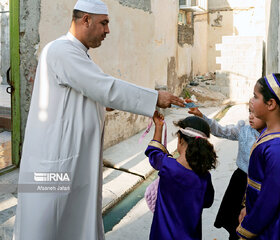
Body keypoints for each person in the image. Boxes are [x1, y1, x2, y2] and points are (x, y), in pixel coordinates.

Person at [13, 0, 184, 239]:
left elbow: (87, 93)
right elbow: (105, 87)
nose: (107, 30)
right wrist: (155, 97)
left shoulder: (75, 54)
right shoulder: (62, 50)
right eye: (104, 23)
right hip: (56, 162)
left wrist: (104, 103)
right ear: (86, 20)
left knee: (71, 222)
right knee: (50, 225)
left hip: (71, 161)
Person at [236, 73, 280, 240]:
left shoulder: (278, 151)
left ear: (271, 104)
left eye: (255, 97)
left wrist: (247, 230)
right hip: (262, 216)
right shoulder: (267, 132)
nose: (252, 100)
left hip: (273, 225)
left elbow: (269, 200)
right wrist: (247, 208)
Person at [189, 102, 266, 240]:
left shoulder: (270, 137)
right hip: (240, 182)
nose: (251, 117)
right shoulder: (243, 130)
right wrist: (202, 117)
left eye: (256, 114)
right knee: (233, 222)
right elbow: (221, 130)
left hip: (258, 185)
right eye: (250, 112)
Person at [145, 112, 217, 240]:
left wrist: (159, 126)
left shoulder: (167, 166)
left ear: (180, 139)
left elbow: (153, 152)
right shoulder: (205, 177)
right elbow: (207, 202)